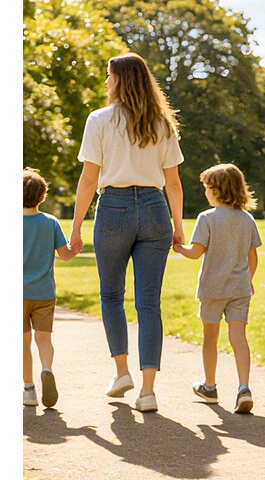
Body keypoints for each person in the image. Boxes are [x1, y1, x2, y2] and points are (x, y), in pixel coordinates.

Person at [69, 52, 185, 413]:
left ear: (120, 79)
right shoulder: (162, 123)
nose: (106, 81)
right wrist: (178, 227)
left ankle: (122, 372)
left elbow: (88, 180)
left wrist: (76, 227)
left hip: (114, 208)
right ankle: (148, 391)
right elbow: (173, 182)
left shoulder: (99, 119)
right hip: (154, 208)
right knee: (149, 303)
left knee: (111, 295)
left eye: (109, 75)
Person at [173, 163, 261, 414]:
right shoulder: (247, 219)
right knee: (239, 338)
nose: (205, 192)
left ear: (217, 190)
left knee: (210, 337)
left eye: (206, 188)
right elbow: (252, 257)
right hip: (239, 289)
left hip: (212, 289)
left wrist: (178, 247)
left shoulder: (207, 218)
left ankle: (209, 387)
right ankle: (244, 387)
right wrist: (248, 279)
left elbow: (195, 253)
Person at [23, 168, 77, 407]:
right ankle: (47, 368)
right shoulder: (50, 222)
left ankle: (29, 390)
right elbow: (65, 255)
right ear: (42, 196)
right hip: (44, 293)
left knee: (22, 343)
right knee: (44, 339)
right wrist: (76, 248)